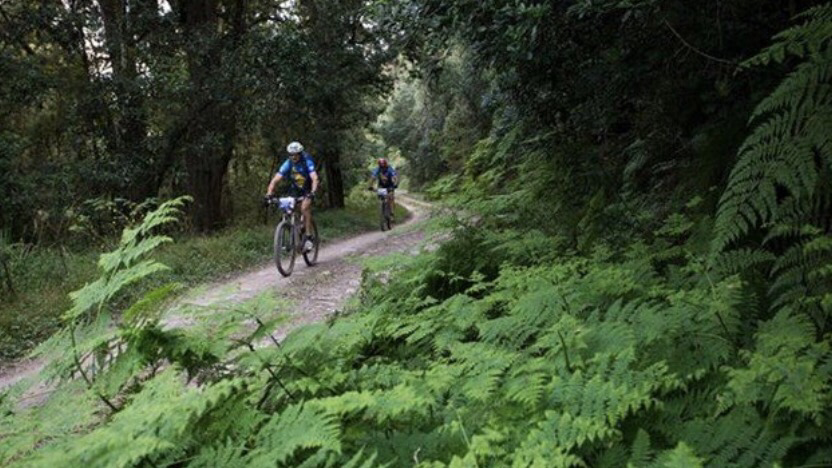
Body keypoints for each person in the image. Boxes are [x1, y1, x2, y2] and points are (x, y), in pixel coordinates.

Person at [266, 141, 319, 252]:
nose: (293, 157)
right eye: (291, 155)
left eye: (296, 154)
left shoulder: (307, 161)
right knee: (288, 209)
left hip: (308, 189)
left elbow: (314, 178)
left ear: (300, 153)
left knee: (304, 208)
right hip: (295, 190)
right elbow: (275, 180)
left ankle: (308, 237)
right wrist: (269, 194)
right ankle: (294, 233)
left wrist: (313, 192)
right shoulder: (288, 163)